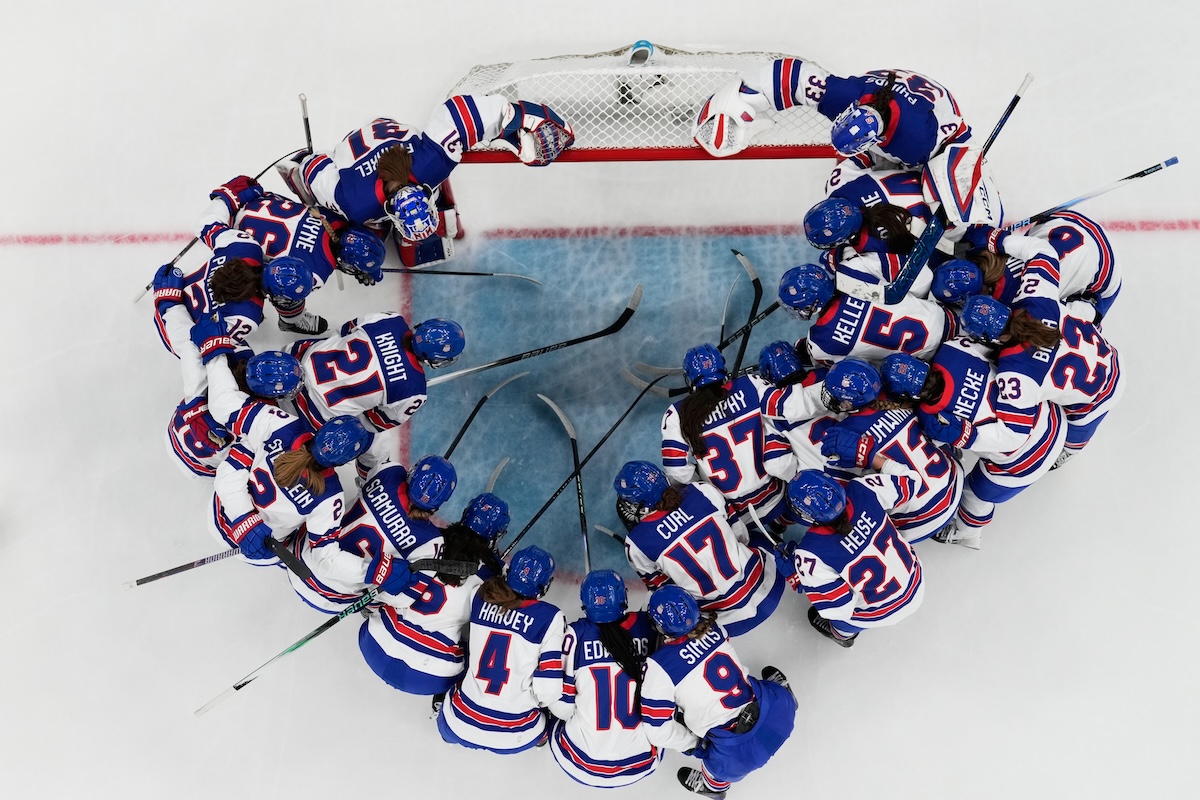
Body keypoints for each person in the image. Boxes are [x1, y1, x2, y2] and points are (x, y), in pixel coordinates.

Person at [279, 96, 574, 267]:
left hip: (378, 141)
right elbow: (316, 171)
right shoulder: (362, 201)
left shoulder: (361, 200)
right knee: (368, 233)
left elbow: (314, 169)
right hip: (366, 142)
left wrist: (517, 119)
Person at [199, 344, 370, 569]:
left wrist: (216, 354)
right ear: (344, 462)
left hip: (218, 515)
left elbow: (224, 408)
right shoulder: (331, 497)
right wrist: (374, 573)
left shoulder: (280, 424)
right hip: (255, 552)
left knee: (246, 449)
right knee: (305, 538)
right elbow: (324, 557)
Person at [880, 349, 1065, 550]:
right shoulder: (953, 349)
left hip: (1021, 464)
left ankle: (967, 534)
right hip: (1053, 421)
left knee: (973, 492)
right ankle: (1071, 450)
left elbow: (947, 451)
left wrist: (964, 436)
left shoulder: (928, 415)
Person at [639, 586, 796, 799]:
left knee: (715, 766)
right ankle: (785, 695)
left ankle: (714, 788)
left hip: (736, 756)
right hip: (782, 714)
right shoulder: (716, 628)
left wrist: (694, 746)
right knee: (749, 683)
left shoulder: (658, 667)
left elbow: (657, 731)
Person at [358, 495, 509, 696]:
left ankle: (373, 608)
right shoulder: (494, 573)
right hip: (428, 679)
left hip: (373, 645)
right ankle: (444, 700)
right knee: (476, 634)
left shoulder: (429, 537)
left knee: (396, 582)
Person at [614, 461, 786, 637]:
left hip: (723, 622)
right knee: (751, 539)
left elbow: (664, 590)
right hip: (771, 584)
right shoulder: (702, 491)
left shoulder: (636, 544)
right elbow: (742, 536)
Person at [286, 312, 465, 478]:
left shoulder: (391, 319)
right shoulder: (414, 392)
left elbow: (342, 331)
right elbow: (373, 423)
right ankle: (370, 484)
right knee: (377, 445)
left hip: (293, 362)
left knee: (331, 342)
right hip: (309, 414)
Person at [437, 545, 569, 754]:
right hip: (515, 735)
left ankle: (444, 712)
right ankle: (539, 737)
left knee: (465, 647)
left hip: (458, 723)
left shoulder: (480, 596)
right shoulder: (550, 616)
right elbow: (549, 692)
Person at [285, 455, 458, 613]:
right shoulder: (432, 542)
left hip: (298, 555)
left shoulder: (390, 472)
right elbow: (401, 599)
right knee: (392, 582)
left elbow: (368, 467)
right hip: (332, 600)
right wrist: (382, 578)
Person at [818, 359, 962, 544]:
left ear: (847, 404)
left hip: (919, 521)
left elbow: (842, 500)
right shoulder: (897, 393)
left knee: (853, 493)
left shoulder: (842, 434)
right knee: (932, 430)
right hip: (954, 482)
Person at [785, 467, 925, 647]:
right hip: (915, 580)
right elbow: (912, 482)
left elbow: (838, 610)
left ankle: (842, 635)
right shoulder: (862, 488)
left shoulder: (809, 552)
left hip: (880, 612)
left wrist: (798, 577)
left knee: (841, 620)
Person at [548, 570, 662, 789]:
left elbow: (562, 708)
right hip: (640, 763)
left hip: (580, 762)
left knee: (556, 701)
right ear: (624, 598)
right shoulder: (647, 626)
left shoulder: (575, 634)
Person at [660, 344, 795, 526]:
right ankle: (780, 525)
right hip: (775, 496)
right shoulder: (750, 384)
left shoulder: (676, 414)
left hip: (731, 514)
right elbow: (787, 409)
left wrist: (703, 483)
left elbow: (677, 471)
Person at [163, 350, 303, 480]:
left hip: (174, 429)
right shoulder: (263, 418)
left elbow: (202, 353)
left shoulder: (226, 366)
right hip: (198, 469)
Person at [777, 263, 952, 365]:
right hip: (946, 316)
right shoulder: (850, 269)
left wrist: (802, 349)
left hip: (936, 359)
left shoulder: (820, 344)